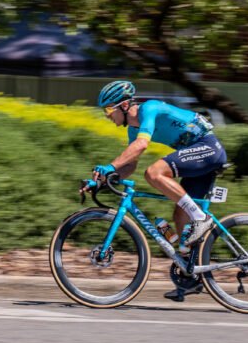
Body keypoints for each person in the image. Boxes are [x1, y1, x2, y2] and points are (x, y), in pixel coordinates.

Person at [93, 80, 228, 299]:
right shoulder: (133, 129)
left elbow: (142, 145)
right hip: (196, 154)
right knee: (180, 214)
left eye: (108, 110)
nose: (107, 116)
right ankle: (191, 275)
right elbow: (130, 165)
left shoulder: (149, 108)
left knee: (154, 173)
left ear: (124, 105)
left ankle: (201, 219)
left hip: (208, 147)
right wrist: (103, 179)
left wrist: (110, 165)